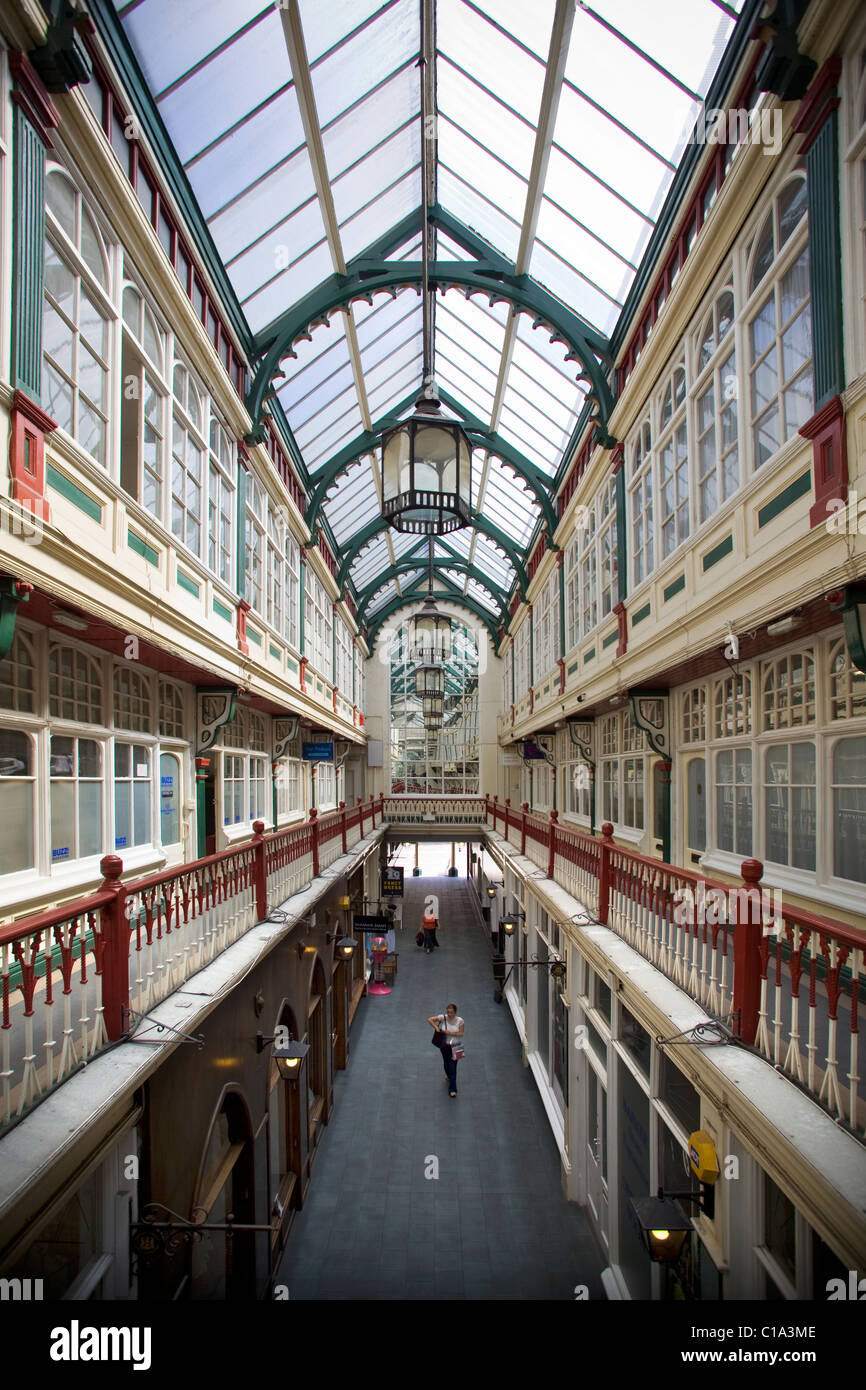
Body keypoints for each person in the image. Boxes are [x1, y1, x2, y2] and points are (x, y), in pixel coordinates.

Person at [427, 1004, 464, 1097]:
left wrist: (451, 1033)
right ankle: (448, 1075)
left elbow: (461, 1033)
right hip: (444, 1046)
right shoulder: (443, 1018)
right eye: (448, 1012)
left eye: (451, 1012)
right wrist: (437, 1028)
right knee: (446, 1063)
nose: (449, 1014)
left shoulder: (460, 1021)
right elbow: (430, 1019)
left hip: (456, 1046)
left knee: (453, 1067)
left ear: (455, 1012)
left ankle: (452, 1089)